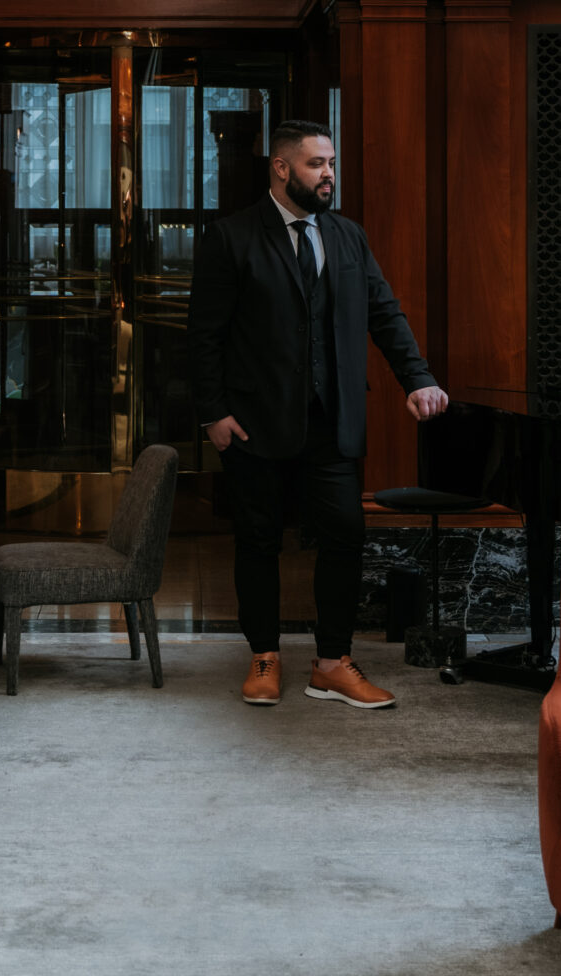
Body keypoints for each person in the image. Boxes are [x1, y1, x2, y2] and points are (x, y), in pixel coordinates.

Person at [187, 120, 447, 712]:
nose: (328, 174)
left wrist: (420, 378)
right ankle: (264, 656)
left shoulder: (348, 237)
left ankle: (331, 663)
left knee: (346, 535)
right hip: (253, 424)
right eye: (316, 164)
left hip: (332, 422)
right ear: (281, 168)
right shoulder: (230, 238)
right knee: (257, 541)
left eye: (331, 163)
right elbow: (204, 336)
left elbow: (384, 314)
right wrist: (213, 415)